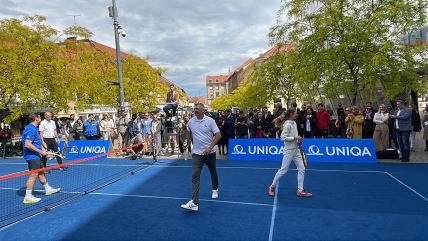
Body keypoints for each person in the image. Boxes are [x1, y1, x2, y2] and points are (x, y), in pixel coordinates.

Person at [181, 103, 221, 212]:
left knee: (213, 172)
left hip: (210, 153)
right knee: (195, 176)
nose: (195, 110)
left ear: (203, 110)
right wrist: (187, 141)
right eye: (194, 109)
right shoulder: (191, 121)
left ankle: (215, 188)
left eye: (197, 109)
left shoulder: (210, 121)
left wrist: (210, 147)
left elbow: (218, 135)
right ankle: (194, 203)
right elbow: (189, 131)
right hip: (197, 154)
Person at [268, 109, 312, 198]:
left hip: (296, 150)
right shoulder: (287, 125)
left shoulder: (294, 123)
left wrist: (298, 141)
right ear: (291, 114)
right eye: (295, 113)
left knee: (302, 168)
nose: (297, 114)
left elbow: (294, 136)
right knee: (283, 170)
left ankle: (300, 190)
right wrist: (295, 138)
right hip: (289, 150)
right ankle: (272, 186)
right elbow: (282, 137)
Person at [22, 114, 60, 204]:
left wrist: (43, 150)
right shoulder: (30, 129)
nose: (41, 118)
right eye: (39, 117)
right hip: (32, 156)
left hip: (36, 155)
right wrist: (40, 151)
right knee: (33, 174)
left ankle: (48, 189)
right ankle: (27, 197)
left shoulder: (34, 128)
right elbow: (27, 144)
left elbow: (36, 143)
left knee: (41, 172)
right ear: (36, 119)